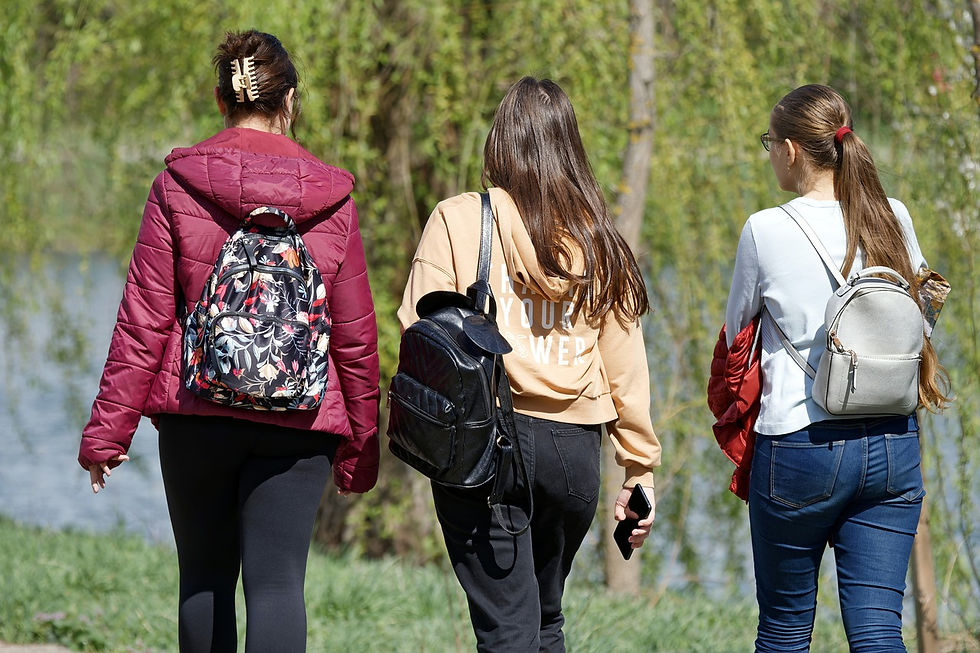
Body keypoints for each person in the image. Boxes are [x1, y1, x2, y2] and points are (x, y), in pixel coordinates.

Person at [77, 30, 380, 652]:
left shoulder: (177, 185)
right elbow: (354, 336)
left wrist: (109, 432)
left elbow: (144, 320)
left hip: (196, 415)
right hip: (300, 419)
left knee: (204, 580)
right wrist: (360, 448)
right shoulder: (333, 199)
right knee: (277, 588)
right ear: (289, 101)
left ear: (220, 100)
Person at [397, 77, 662, 652]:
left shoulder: (460, 219)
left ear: (500, 142)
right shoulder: (601, 240)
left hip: (484, 445)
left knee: (506, 633)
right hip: (574, 456)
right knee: (545, 624)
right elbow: (626, 371)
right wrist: (638, 471)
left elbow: (416, 333)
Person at [725, 84, 949, 652]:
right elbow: (920, 320)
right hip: (893, 447)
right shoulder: (891, 215)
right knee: (877, 631)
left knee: (784, 630)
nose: (769, 153)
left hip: (800, 446)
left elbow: (734, 340)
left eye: (769, 143)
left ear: (794, 150)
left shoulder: (765, 229)